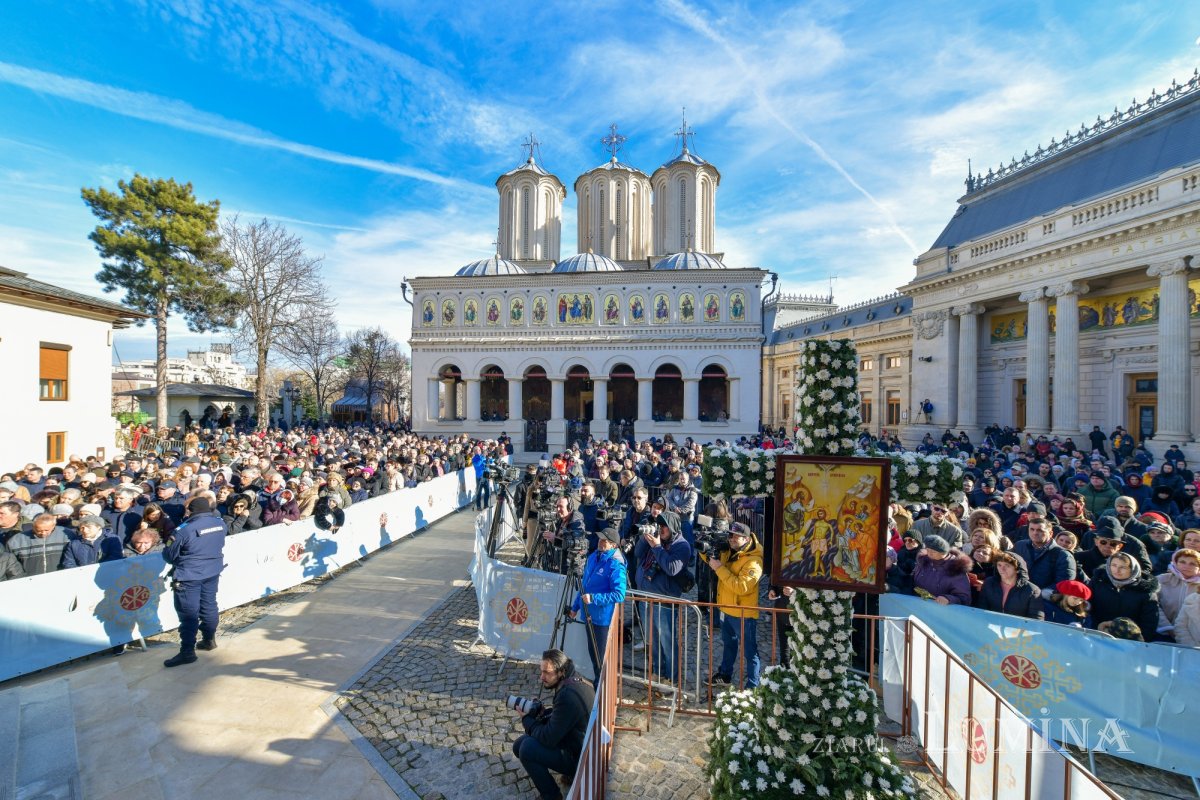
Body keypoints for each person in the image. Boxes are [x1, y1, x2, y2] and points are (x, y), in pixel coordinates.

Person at [511, 649, 594, 800]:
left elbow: (548, 738)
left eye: (547, 673)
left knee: (527, 749)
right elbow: (564, 717)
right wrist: (544, 713)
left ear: (561, 671)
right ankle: (564, 777)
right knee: (518, 745)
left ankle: (552, 796)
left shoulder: (567, 695)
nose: (542, 677)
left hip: (582, 760)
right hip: (581, 745)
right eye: (541, 671)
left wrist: (527, 720)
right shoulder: (575, 680)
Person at [161, 497, 228, 667]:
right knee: (209, 606)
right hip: (212, 571)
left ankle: (187, 652)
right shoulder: (220, 523)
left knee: (188, 614)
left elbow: (169, 555)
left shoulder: (184, 529)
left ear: (190, 510)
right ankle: (209, 639)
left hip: (189, 576)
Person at [633, 509, 692, 685]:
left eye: (664, 525)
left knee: (667, 641)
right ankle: (658, 673)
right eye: (659, 525)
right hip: (646, 597)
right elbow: (637, 554)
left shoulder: (682, 546)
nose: (661, 528)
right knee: (652, 640)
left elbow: (672, 568)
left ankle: (672, 678)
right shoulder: (656, 539)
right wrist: (645, 538)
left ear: (673, 527)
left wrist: (657, 547)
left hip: (664, 600)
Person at [707, 522, 763, 688]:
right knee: (728, 645)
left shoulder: (754, 561)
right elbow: (712, 561)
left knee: (750, 651)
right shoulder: (730, 550)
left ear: (746, 538)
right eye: (729, 535)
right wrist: (705, 551)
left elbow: (741, 587)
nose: (730, 538)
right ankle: (725, 675)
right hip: (726, 609)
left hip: (743, 613)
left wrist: (719, 568)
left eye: (735, 536)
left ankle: (753, 687)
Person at [569, 526, 626, 681]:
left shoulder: (616, 564)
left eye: (604, 541)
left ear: (613, 545)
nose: (600, 542)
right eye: (600, 539)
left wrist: (594, 598)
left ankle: (602, 687)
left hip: (602, 619)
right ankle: (598, 683)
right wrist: (575, 607)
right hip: (589, 615)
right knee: (594, 657)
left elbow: (619, 594)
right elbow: (584, 585)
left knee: (601, 659)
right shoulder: (594, 556)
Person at [1088, 551, 1160, 639]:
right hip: (1097, 635)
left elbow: (1150, 622)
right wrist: (1096, 628)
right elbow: (1088, 608)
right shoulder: (1097, 582)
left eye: (1123, 567)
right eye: (1114, 565)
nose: (1117, 570)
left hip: (1130, 639)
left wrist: (1139, 639)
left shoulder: (1145, 591)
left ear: (1132, 569)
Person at [977, 551, 1043, 620]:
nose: (1002, 569)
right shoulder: (989, 583)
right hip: (990, 623)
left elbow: (1036, 619)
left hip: (1018, 626)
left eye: (1007, 565)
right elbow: (981, 608)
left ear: (1017, 569)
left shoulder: (1032, 590)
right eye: (999, 565)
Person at [912, 535, 972, 606]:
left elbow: (964, 597)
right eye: (927, 550)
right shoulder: (924, 561)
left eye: (933, 551)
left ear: (943, 553)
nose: (929, 553)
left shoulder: (956, 568)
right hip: (916, 604)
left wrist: (949, 599)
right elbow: (913, 581)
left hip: (940, 609)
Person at [4, 513, 71, 575]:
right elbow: (10, 564)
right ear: (33, 526)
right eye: (39, 530)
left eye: (46, 530)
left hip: (60, 577)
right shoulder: (16, 540)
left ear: (53, 526)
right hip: (29, 579)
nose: (43, 533)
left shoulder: (66, 535)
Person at [1156, 548, 1200, 640]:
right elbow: (1154, 605)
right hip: (1163, 633)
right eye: (1182, 562)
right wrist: (1167, 627)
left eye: (1192, 564)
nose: (1187, 566)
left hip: (1192, 636)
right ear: (1175, 563)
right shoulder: (1161, 580)